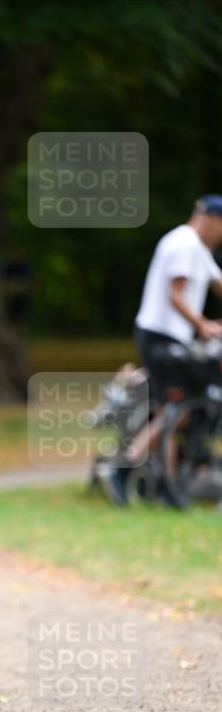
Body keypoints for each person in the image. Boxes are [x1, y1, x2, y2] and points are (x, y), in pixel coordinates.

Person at [104, 194, 222, 505]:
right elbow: (175, 295)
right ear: (211, 219)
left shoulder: (198, 249)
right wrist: (202, 324)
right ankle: (124, 466)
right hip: (161, 338)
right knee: (175, 409)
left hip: (170, 338)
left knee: (169, 412)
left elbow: (218, 283)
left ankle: (167, 488)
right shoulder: (183, 244)